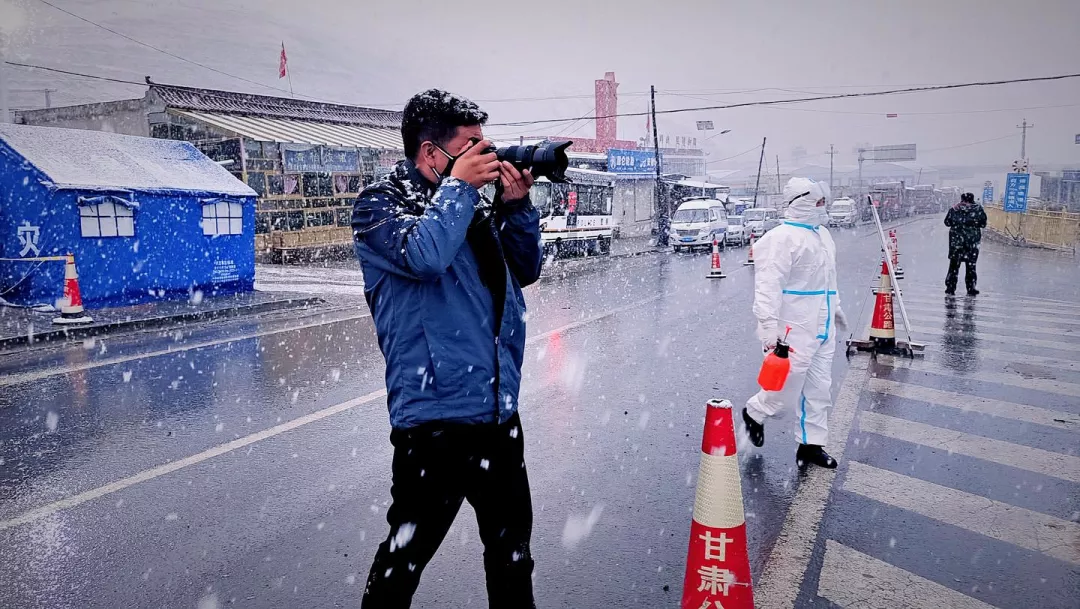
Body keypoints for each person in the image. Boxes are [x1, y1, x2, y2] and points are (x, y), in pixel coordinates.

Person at [351, 89, 543, 608]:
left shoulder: (469, 207)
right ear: (432, 153)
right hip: (434, 420)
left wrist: (516, 205)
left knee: (512, 556)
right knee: (402, 563)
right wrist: (459, 189)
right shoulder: (379, 206)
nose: (488, 156)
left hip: (498, 412)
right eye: (473, 146)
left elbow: (524, 271)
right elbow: (425, 257)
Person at [741, 177, 847, 469]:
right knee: (785, 391)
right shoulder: (779, 240)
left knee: (819, 389)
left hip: (822, 326)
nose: (823, 207)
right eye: (819, 202)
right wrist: (768, 329)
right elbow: (767, 289)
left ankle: (811, 445)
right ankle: (756, 411)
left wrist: (836, 309)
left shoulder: (823, 236)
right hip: (793, 328)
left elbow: (830, 279)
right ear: (803, 201)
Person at [944, 192, 987, 296]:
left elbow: (947, 222)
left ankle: (950, 288)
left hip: (956, 244)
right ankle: (971, 288)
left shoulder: (954, 209)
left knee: (954, 267)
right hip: (972, 244)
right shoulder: (978, 209)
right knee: (971, 266)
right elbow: (983, 224)